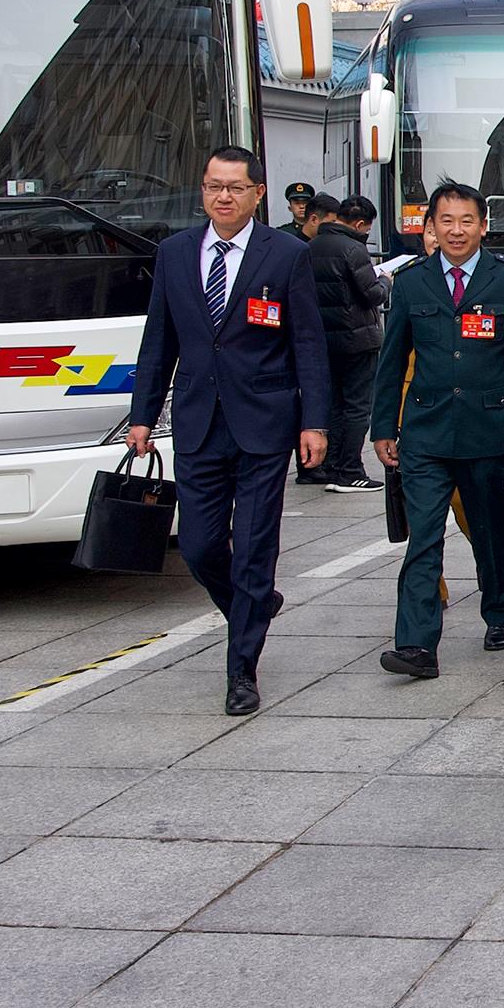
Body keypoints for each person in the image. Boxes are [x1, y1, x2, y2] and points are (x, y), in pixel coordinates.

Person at [127, 146, 331, 716]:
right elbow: (158, 340)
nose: (223, 197)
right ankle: (255, 604)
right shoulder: (174, 253)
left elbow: (308, 343)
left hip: (264, 423)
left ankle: (242, 669)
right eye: (214, 186)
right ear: (203, 190)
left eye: (235, 188)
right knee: (198, 547)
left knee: (255, 550)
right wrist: (143, 415)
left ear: (257, 194)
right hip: (198, 423)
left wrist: (314, 422)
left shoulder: (286, 254)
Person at [371, 182, 504, 678]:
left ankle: (499, 612)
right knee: (423, 537)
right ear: (431, 226)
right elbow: (391, 359)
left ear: (484, 226)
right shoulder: (411, 282)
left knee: (489, 529)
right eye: (446, 221)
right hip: (425, 431)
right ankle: (416, 644)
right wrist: (383, 426)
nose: (456, 230)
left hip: (489, 431)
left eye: (467, 221)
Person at [308, 195, 387, 493]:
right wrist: (386, 281)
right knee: (357, 407)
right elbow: (373, 294)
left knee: (333, 405)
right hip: (357, 339)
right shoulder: (353, 249)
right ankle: (350, 469)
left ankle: (330, 466)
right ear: (359, 224)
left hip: (324, 341)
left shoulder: (311, 247)